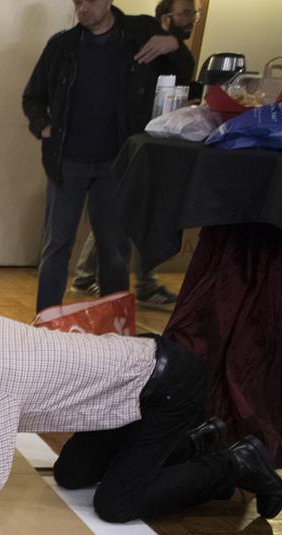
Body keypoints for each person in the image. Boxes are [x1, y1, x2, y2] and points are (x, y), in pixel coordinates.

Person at [0, 314, 282, 522]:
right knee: (71, 473)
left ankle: (235, 463)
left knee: (116, 504)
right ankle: (195, 441)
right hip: (125, 387)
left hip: (166, 388)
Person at [22, 0, 195, 313]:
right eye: (77, 2)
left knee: (115, 249)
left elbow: (184, 73)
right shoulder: (63, 46)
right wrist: (44, 126)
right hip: (67, 163)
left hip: (117, 164)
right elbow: (32, 97)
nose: (82, 8)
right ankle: (44, 322)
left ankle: (114, 330)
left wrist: (175, 44)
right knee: (56, 247)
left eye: (88, 1)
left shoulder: (140, 34)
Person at [69, 0, 199, 308]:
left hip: (148, 145)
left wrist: (175, 46)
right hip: (131, 147)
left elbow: (187, 70)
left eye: (194, 14)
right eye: (185, 14)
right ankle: (136, 283)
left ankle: (91, 276)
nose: (191, 19)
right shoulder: (136, 41)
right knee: (129, 213)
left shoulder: (176, 54)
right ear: (165, 18)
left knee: (117, 215)